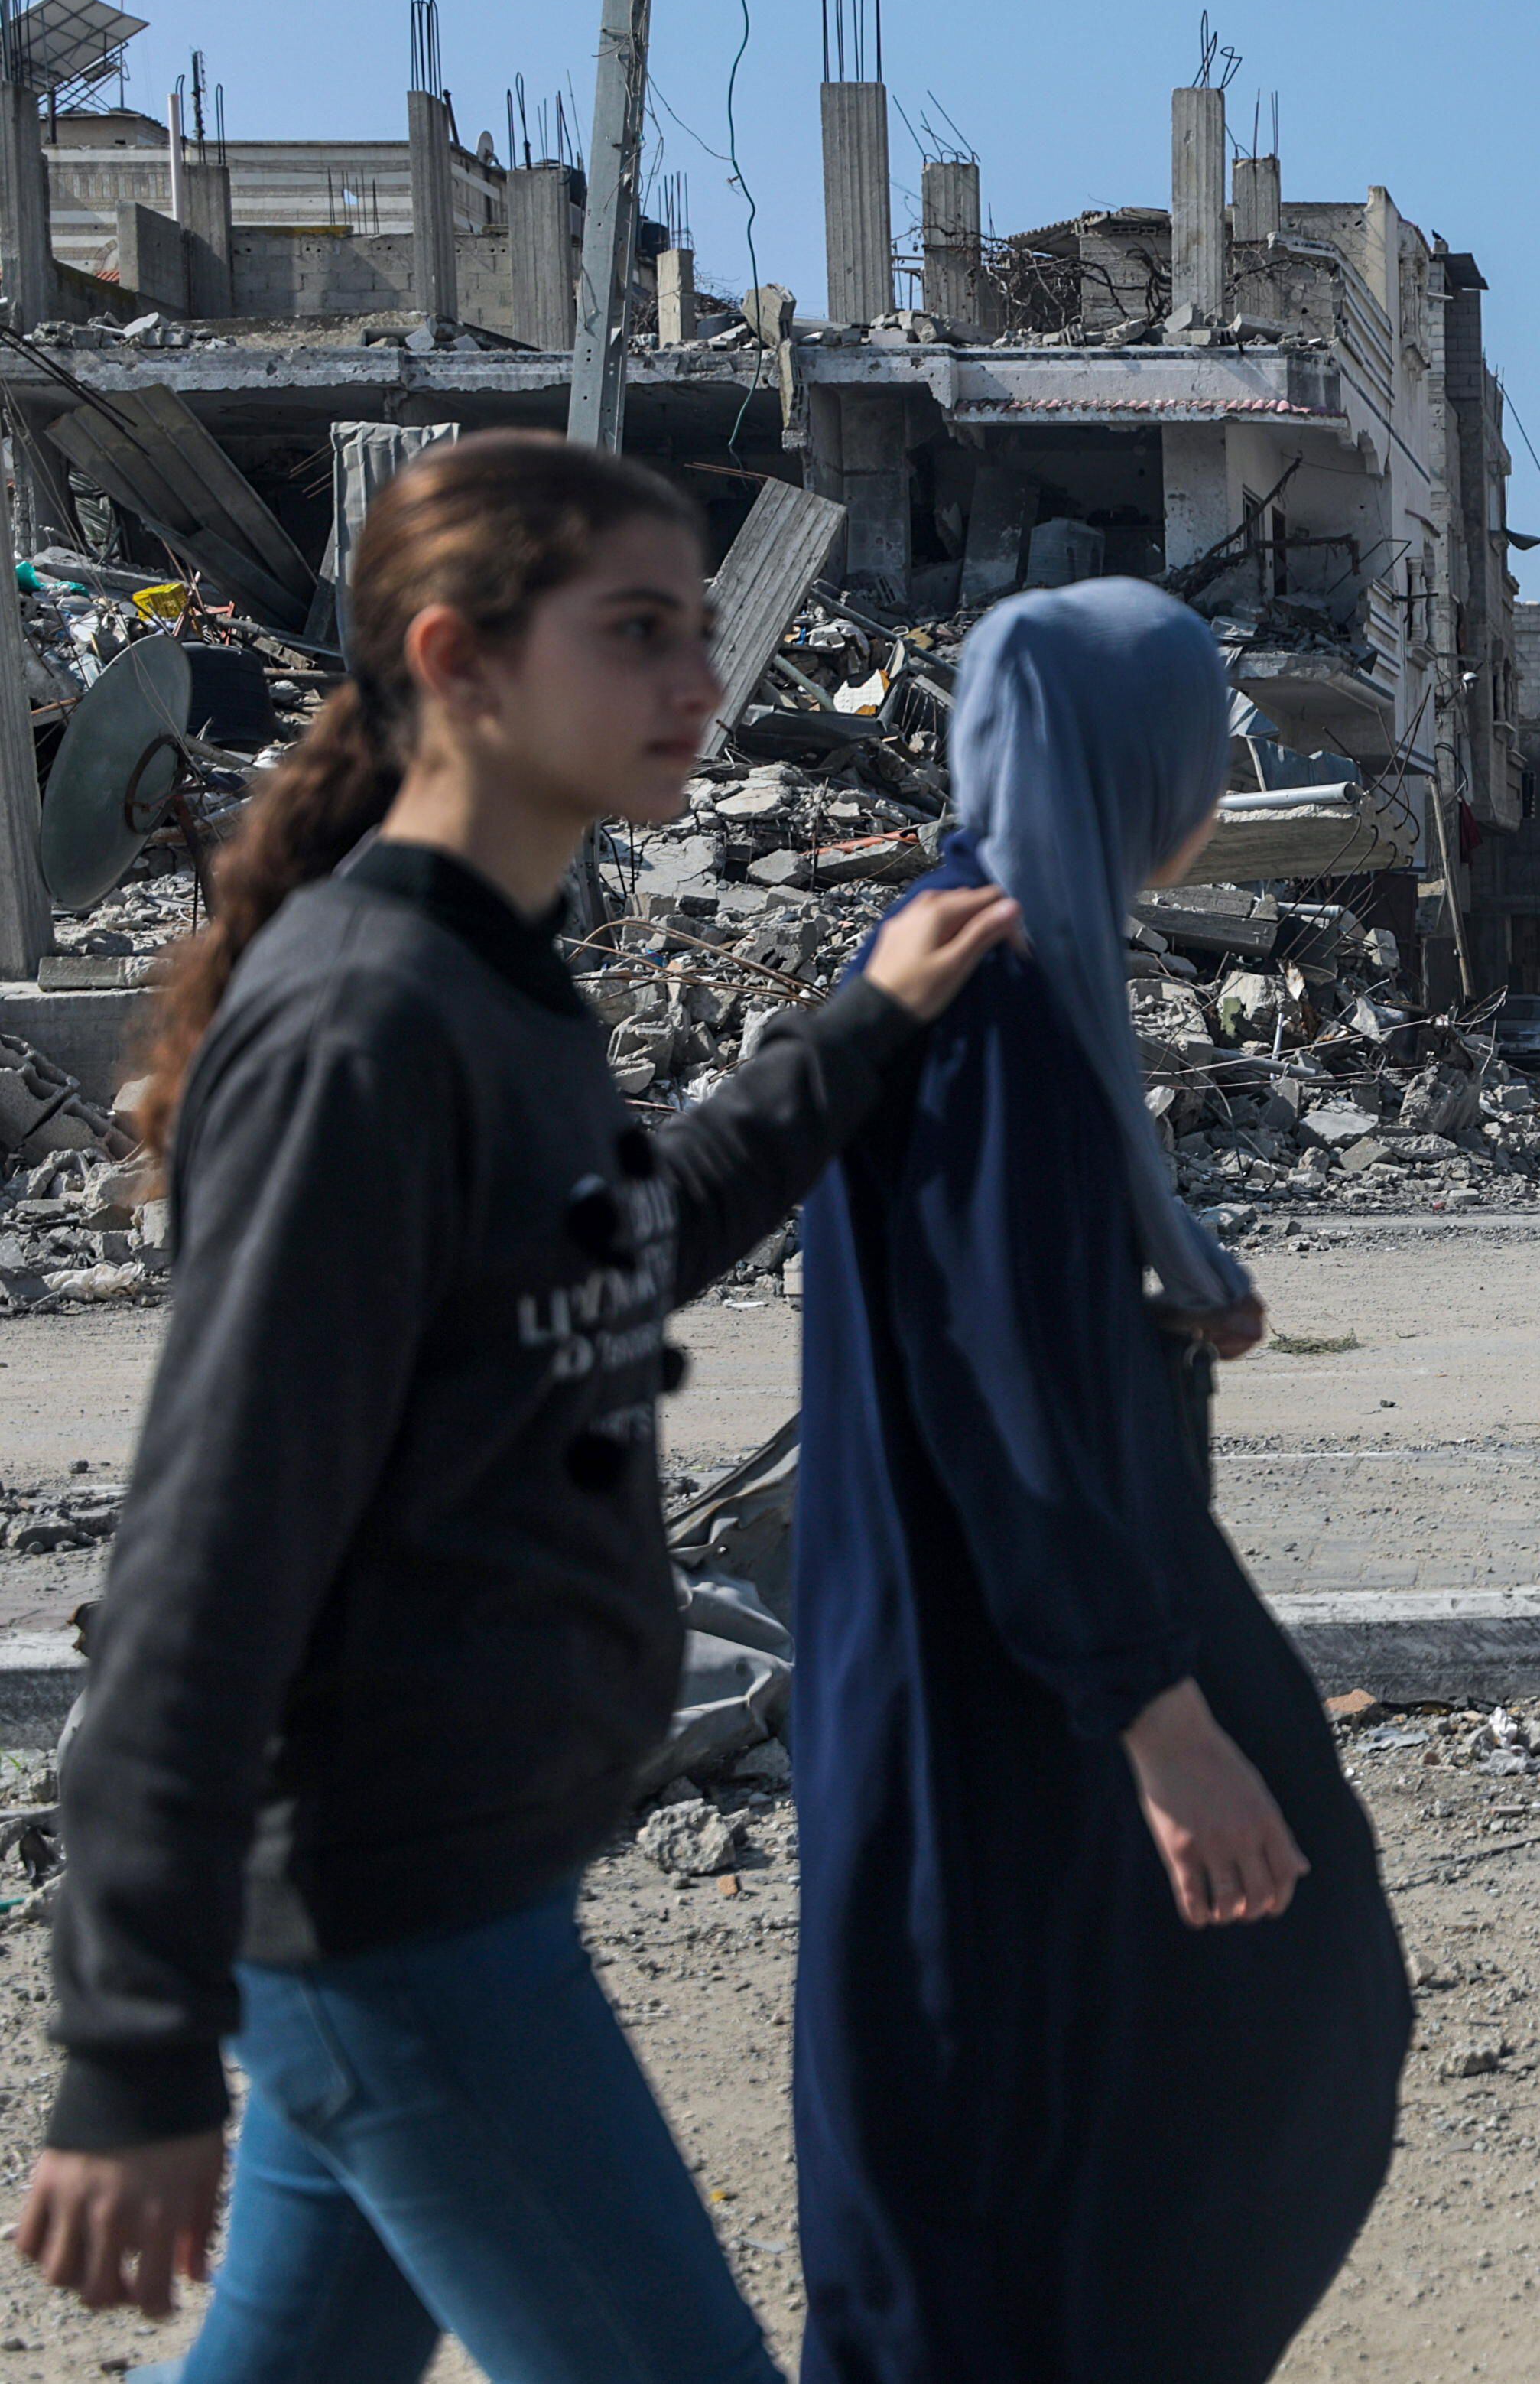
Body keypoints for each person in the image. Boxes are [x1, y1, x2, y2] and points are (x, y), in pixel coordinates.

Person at [14, 434, 1022, 2376]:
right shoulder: (365, 1026)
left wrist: (862, 1025)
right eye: (636, 632)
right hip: (398, 1902)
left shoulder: (501, 998)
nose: (699, 682)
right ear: (460, 662)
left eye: (701, 632)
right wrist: (129, 2042)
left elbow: (628, 1244)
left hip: (467, 1867)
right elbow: (204, 1551)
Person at [788, 579, 1410, 2383]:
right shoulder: (988, 988)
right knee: (1054, 2138)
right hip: (1000, 1686)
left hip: (993, 1660)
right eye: (1202, 742)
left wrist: (1145, 1307)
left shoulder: (985, 949)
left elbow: (1001, 1311)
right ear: (1139, 765)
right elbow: (998, 1388)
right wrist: (1157, 1718)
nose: (1218, 777)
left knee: (1093, 2114)